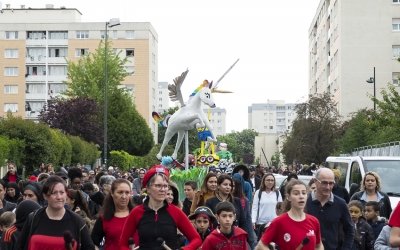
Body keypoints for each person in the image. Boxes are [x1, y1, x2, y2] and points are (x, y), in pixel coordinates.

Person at [119, 165, 202, 249]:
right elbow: (122, 242)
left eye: (165, 186)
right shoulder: (136, 212)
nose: (163, 189)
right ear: (148, 188)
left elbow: (196, 239)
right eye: (158, 186)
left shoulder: (176, 212)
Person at [15, 175, 95, 249]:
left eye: (62, 192)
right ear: (44, 195)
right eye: (54, 193)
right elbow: (19, 247)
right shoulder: (33, 218)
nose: (59, 197)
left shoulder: (77, 221)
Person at [256, 180, 323, 250]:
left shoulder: (314, 221)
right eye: (296, 194)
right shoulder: (279, 222)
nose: (301, 196)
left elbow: (319, 246)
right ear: (288, 197)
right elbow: (261, 245)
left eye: (304, 193)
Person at [306, 168, 354, 250]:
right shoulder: (305, 201)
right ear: (315, 181)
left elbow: (349, 230)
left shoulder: (341, 204)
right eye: (324, 183)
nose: (328, 187)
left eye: (331, 183)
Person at [91, 179, 134, 250]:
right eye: (120, 192)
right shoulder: (104, 218)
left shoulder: (137, 215)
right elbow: (92, 243)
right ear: (112, 193)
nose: (124, 196)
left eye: (127, 193)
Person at [251, 173, 282, 238]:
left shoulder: (277, 193)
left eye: (272, 180)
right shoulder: (258, 193)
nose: (270, 182)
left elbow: (280, 208)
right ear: (264, 181)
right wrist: (253, 220)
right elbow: (255, 208)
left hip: (274, 223)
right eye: (268, 180)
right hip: (261, 223)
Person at [232, 178, 255, 245]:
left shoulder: (244, 200)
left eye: (233, 186)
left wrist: (250, 237)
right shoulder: (227, 200)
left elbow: (248, 218)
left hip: (241, 231)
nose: (230, 187)